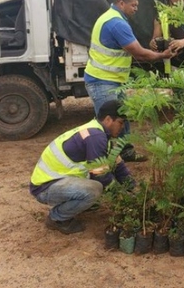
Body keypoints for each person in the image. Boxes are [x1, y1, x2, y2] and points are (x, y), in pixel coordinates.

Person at [30, 100, 135, 234]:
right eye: (120, 122)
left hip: (59, 181)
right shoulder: (96, 137)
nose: (122, 127)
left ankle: (79, 202)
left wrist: (133, 187)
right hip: (45, 187)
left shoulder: (101, 134)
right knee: (95, 189)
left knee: (97, 188)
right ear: (108, 119)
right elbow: (101, 175)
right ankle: (56, 218)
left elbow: (118, 165)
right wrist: (122, 197)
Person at [84, 0, 171, 128]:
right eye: (133, 5)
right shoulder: (117, 23)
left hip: (111, 80)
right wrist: (163, 55)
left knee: (121, 123)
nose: (136, 9)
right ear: (121, 3)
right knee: (109, 126)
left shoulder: (110, 16)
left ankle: (124, 142)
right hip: (103, 82)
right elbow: (139, 53)